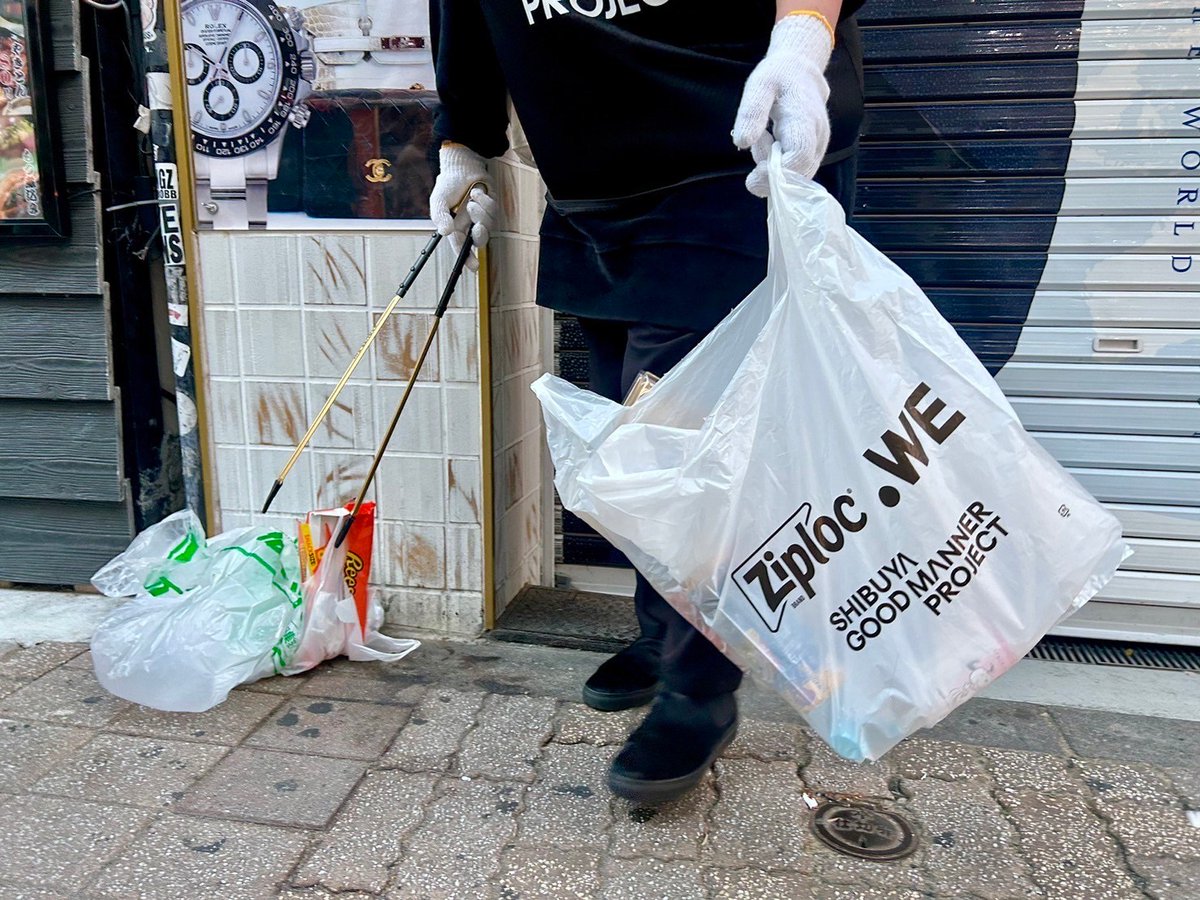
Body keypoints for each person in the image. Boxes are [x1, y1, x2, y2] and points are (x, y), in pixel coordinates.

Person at [428, 0, 866, 803]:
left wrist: (804, 38)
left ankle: (698, 691)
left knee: (684, 458)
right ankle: (665, 632)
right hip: (591, 201)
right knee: (628, 443)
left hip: (721, 168)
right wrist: (464, 143)